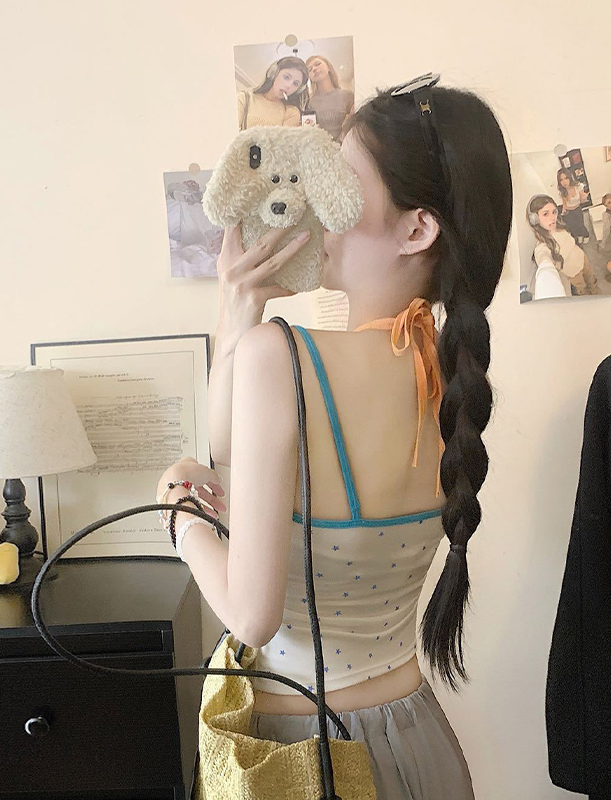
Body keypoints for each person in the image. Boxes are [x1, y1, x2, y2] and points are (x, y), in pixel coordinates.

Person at [156, 75, 514, 799]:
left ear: (417, 230)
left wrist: (178, 514)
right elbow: (231, 458)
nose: (316, 204)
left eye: (339, 181)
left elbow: (251, 615)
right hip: (418, 743)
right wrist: (239, 300)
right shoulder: (449, 376)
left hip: (304, 760)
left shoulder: (283, 360)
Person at [527, 194, 600, 297]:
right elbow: (543, 259)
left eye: (554, 212)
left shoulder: (559, 227)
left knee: (592, 282)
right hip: (573, 273)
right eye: (545, 214)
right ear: (534, 219)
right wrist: (545, 266)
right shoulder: (543, 246)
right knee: (584, 292)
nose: (552, 218)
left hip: (582, 258)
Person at [237, 56, 308, 131]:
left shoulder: (291, 112)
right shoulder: (245, 99)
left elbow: (285, 138)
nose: (289, 86)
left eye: (295, 84)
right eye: (286, 77)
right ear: (274, 74)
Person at [305, 54, 354, 143]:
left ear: (328, 67)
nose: (314, 69)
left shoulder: (347, 95)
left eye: (317, 64)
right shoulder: (309, 102)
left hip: (345, 146)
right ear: (310, 78)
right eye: (310, 69)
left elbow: (353, 123)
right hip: (320, 148)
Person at [557, 168, 590, 244]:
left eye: (566, 178)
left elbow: (582, 199)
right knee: (573, 226)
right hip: (569, 212)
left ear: (570, 177)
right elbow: (564, 204)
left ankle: (586, 235)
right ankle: (579, 236)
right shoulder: (562, 191)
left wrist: (584, 197)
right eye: (561, 180)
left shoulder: (578, 186)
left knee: (581, 224)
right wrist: (563, 212)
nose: (564, 182)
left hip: (577, 209)